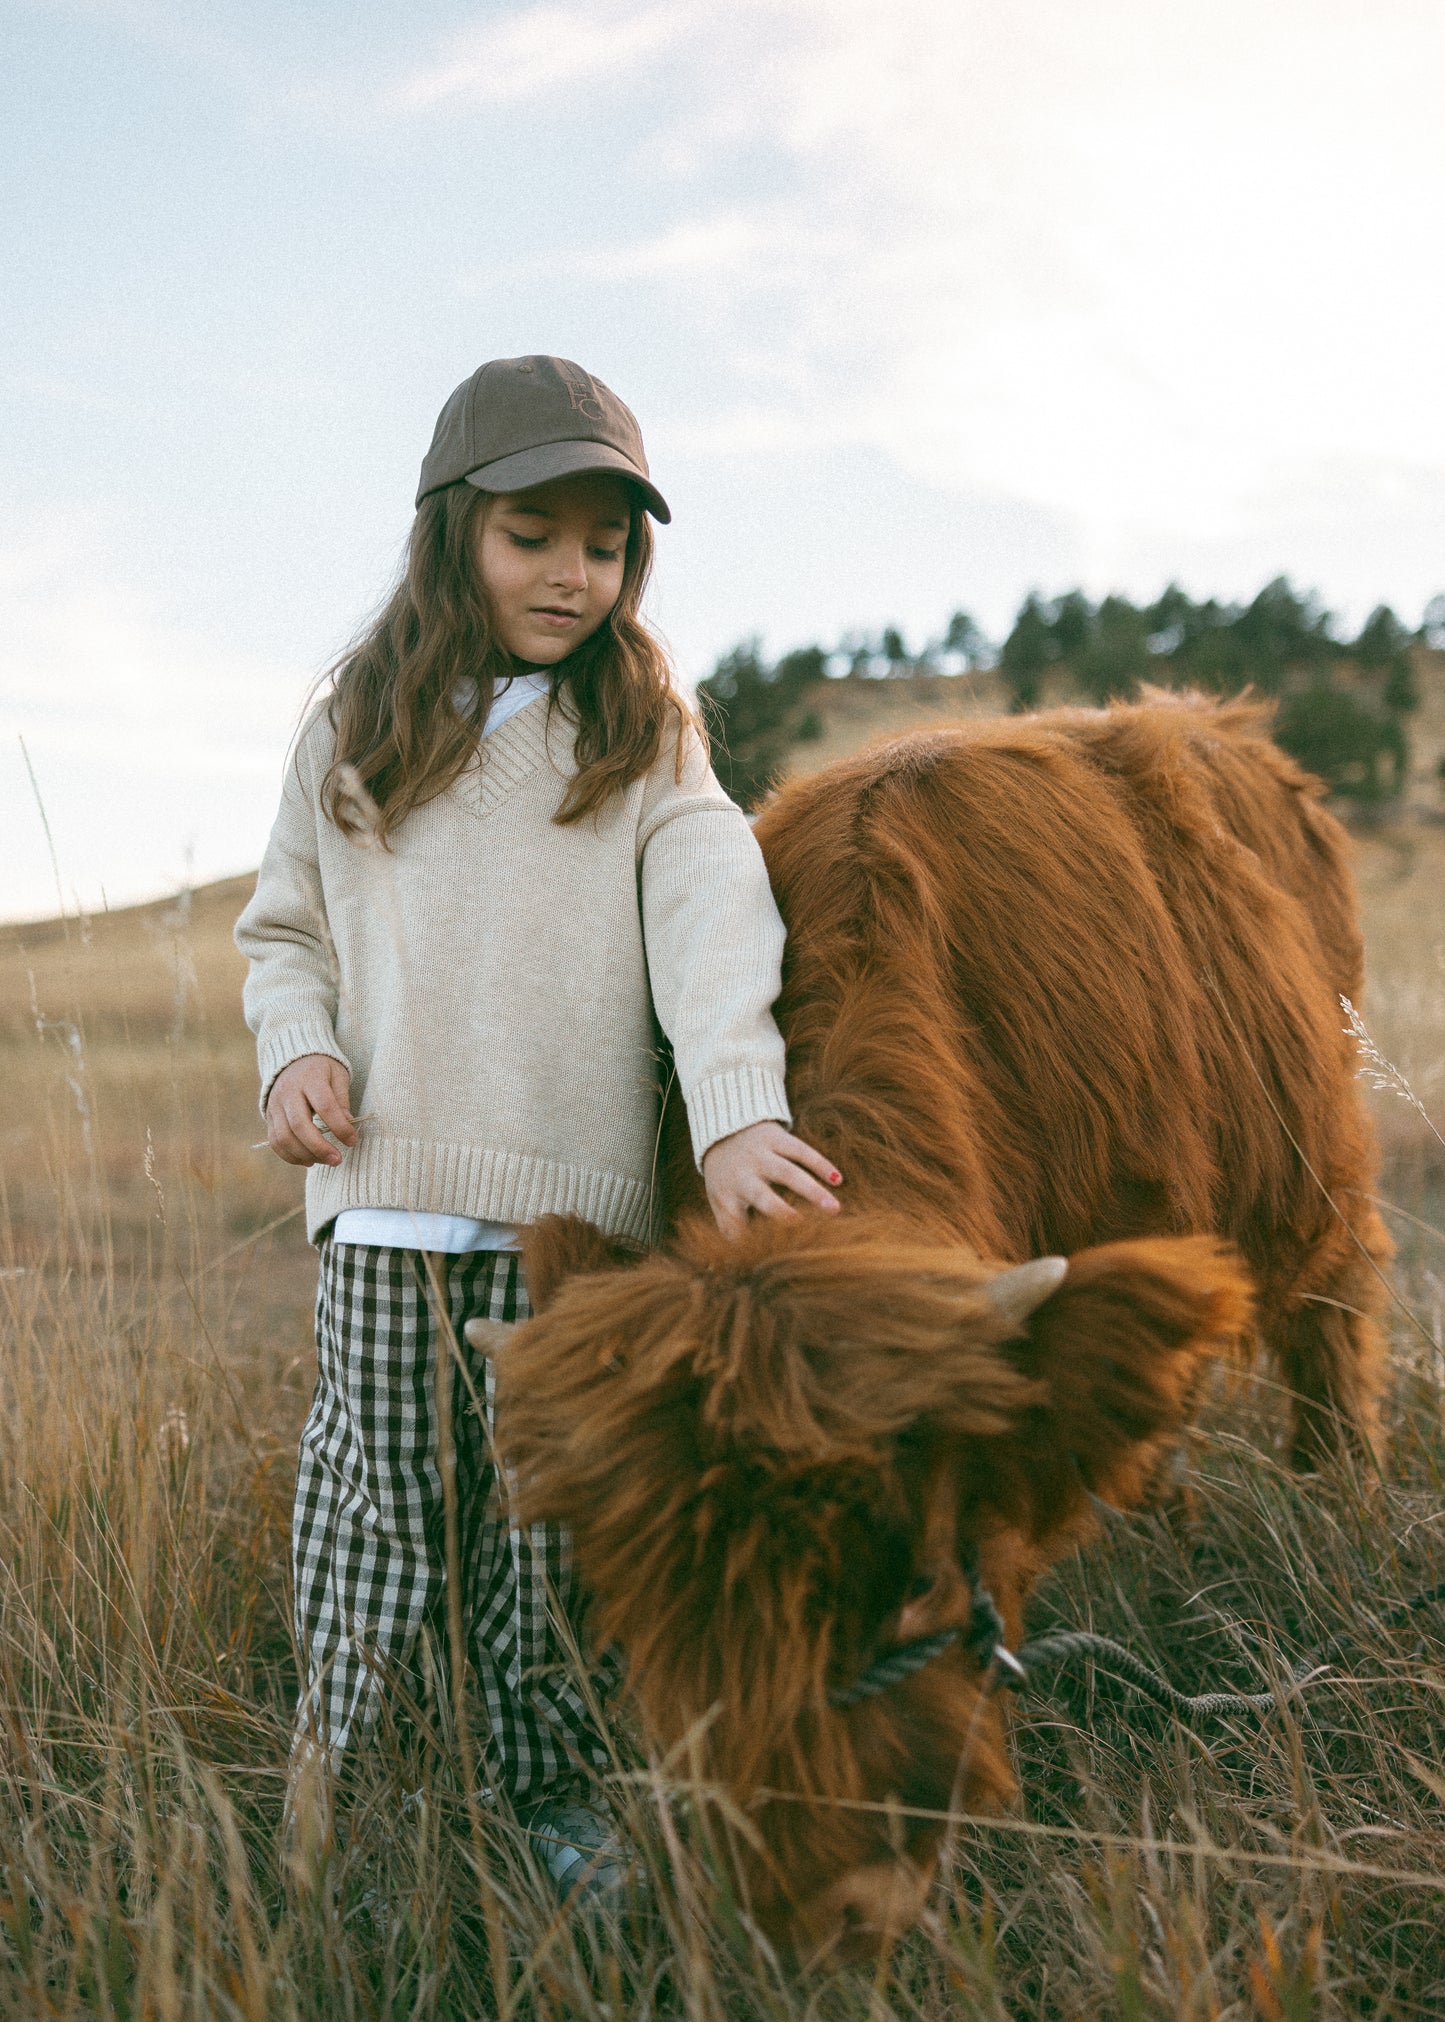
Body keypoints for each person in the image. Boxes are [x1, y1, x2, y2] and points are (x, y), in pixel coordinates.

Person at [235, 354, 840, 1895]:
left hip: (567, 1219)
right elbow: (284, 930)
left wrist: (734, 1113)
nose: (573, 573)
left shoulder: (642, 731)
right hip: (383, 1195)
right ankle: (340, 1782)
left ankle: (551, 1794)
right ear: (453, 529)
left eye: (605, 543)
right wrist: (296, 1051)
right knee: (375, 1507)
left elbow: (713, 919)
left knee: (543, 1527)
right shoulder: (354, 721)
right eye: (533, 535)